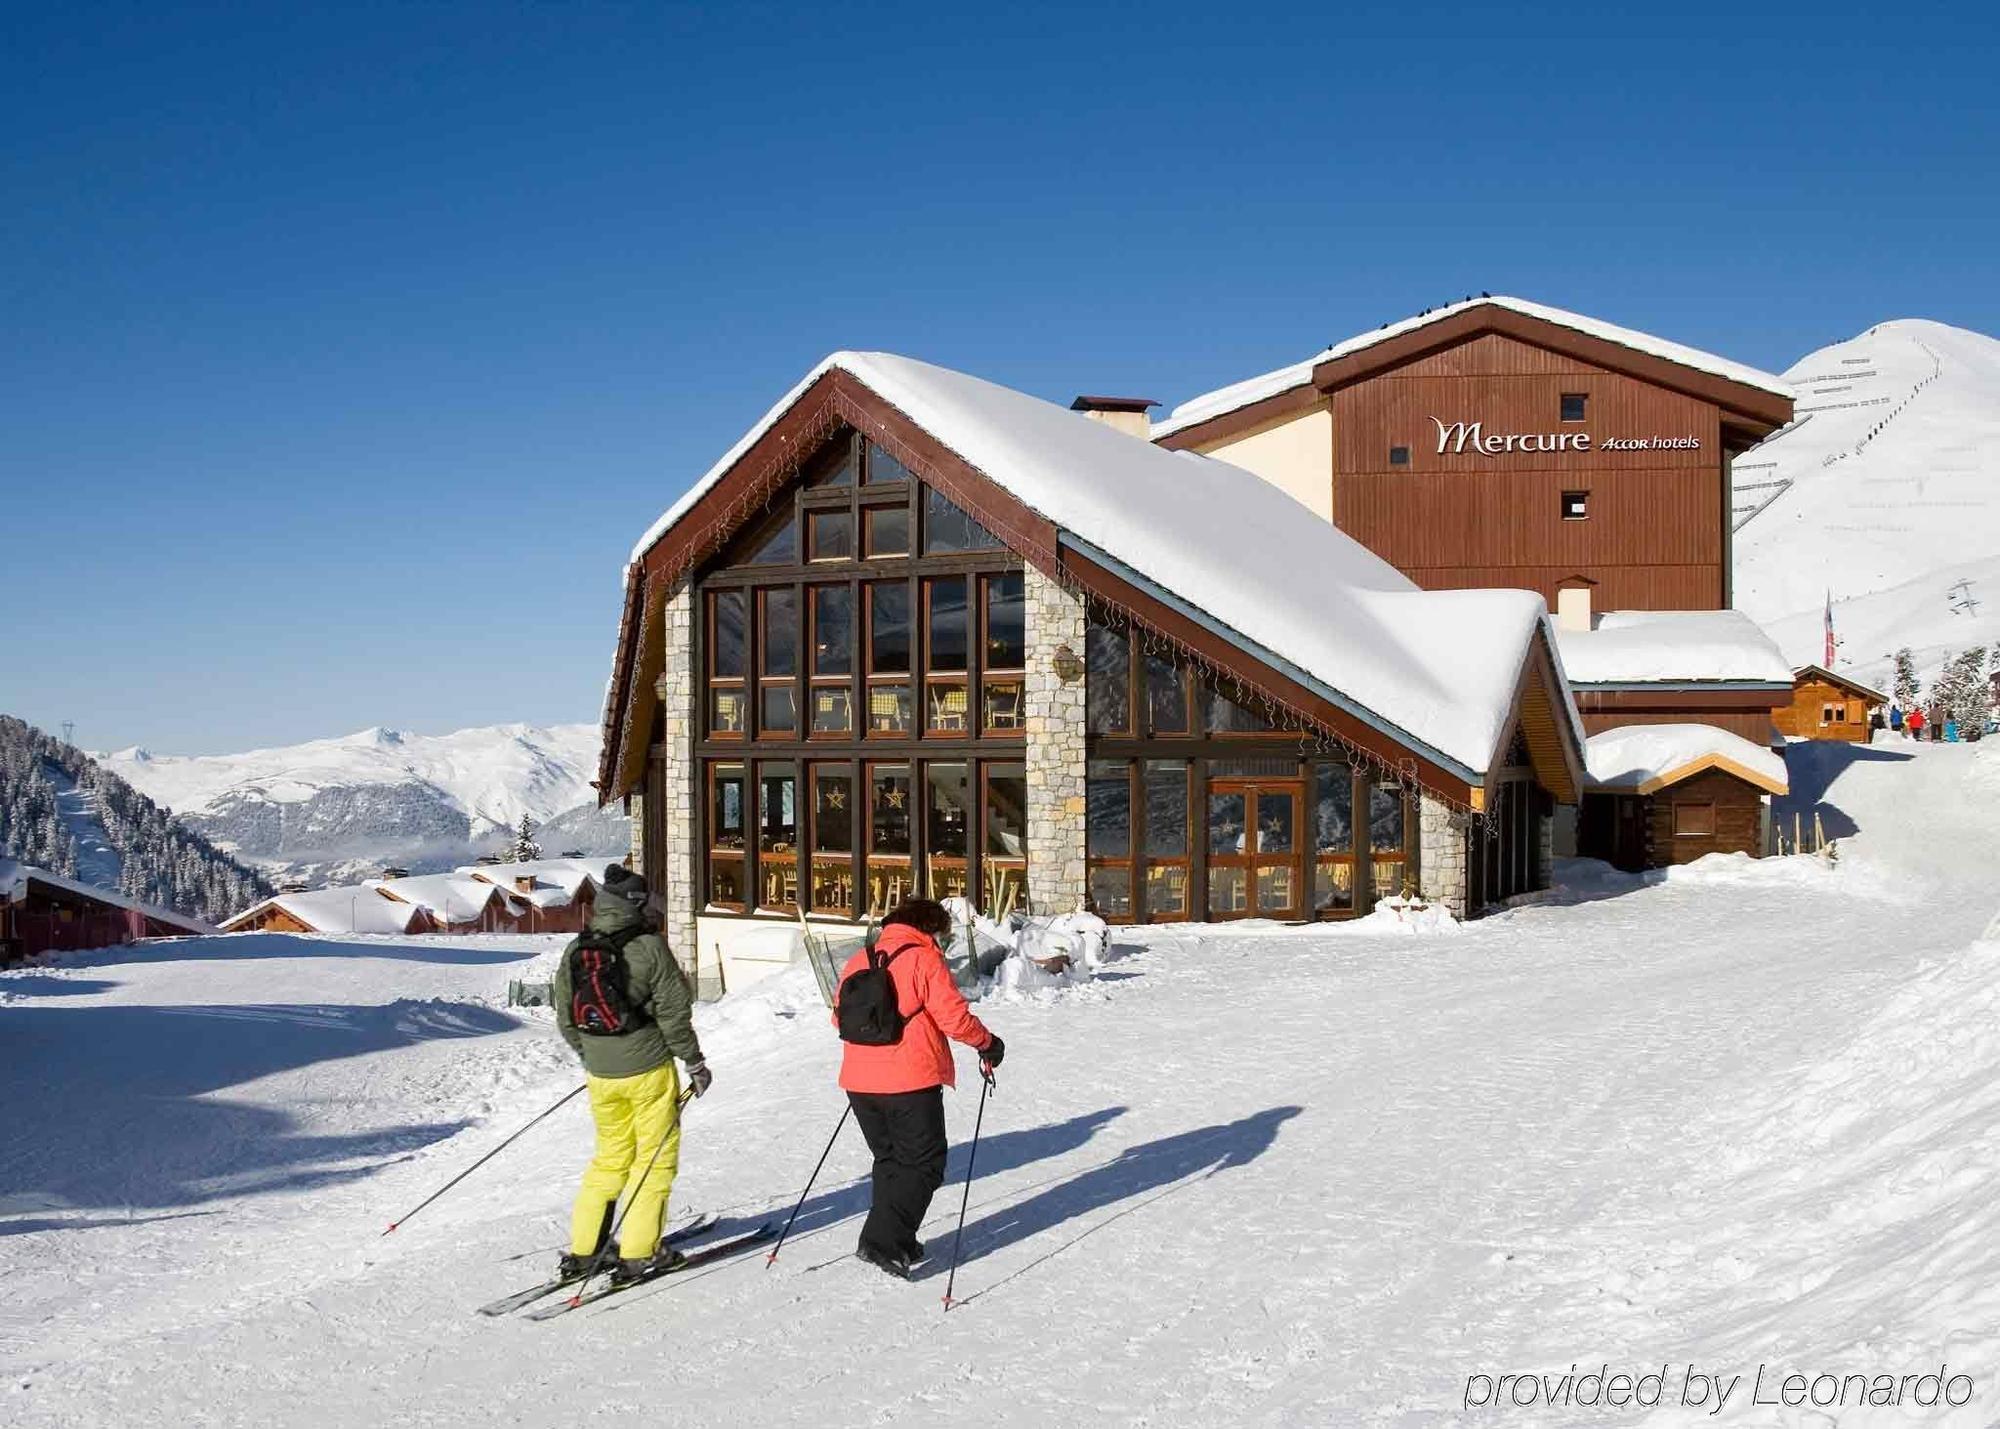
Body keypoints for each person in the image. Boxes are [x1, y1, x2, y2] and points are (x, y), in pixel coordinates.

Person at [552, 864, 711, 1284]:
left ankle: (585, 1251)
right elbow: (675, 1013)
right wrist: (694, 1063)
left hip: (601, 1075)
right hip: (648, 1071)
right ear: (636, 904)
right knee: (653, 1161)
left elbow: (566, 1016)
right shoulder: (649, 947)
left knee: (609, 1158)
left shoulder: (578, 948)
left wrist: (594, 1056)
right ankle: (640, 1253)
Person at [834, 897, 1003, 1280]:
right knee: (925, 1163)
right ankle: (883, 1241)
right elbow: (954, 1018)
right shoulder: (923, 958)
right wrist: (987, 1042)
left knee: (890, 1159)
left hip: (859, 1082)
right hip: (911, 1078)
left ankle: (898, 1237)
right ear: (929, 928)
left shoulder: (859, 959)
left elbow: (837, 1017)